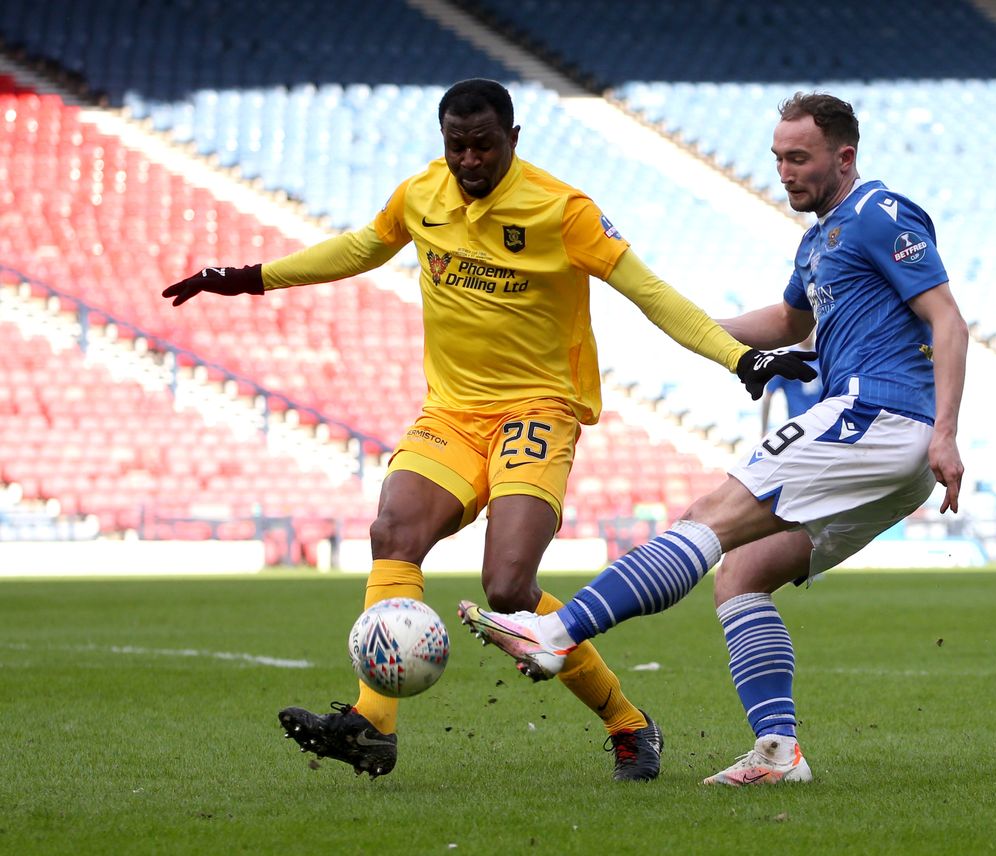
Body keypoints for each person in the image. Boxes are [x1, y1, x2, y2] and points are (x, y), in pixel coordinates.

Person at [162, 79, 814, 782]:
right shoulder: (421, 195)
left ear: (514, 139)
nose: (468, 161)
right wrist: (250, 278)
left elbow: (650, 292)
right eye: (455, 146)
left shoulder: (562, 211)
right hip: (452, 414)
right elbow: (358, 249)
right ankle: (373, 724)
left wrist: (738, 355)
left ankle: (628, 722)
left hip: (538, 411)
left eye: (483, 146)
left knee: (507, 587)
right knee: (394, 533)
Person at [460, 91, 967, 786]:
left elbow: (949, 322)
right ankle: (778, 752)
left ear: (844, 157)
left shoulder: (882, 214)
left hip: (876, 416)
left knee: (707, 519)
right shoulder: (818, 239)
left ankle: (556, 633)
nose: (785, 172)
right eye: (778, 158)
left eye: (800, 158)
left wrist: (946, 434)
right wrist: (689, 330)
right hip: (881, 441)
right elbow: (790, 323)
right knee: (741, 574)